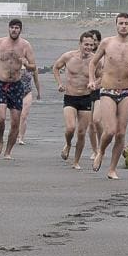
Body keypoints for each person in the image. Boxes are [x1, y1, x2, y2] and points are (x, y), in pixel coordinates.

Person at [88, 12, 128, 179]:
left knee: (121, 133)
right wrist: (92, 80)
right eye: (121, 23)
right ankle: (101, 151)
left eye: (126, 23)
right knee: (110, 130)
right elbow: (93, 62)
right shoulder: (107, 42)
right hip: (107, 90)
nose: (123, 26)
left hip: (126, 90)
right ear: (116, 25)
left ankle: (112, 169)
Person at [0, 18, 36, 160]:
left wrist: (26, 63)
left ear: (20, 30)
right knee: (0, 118)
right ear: (8, 28)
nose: (14, 30)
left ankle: (8, 151)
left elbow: (33, 66)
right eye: (12, 27)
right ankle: (0, 141)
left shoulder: (25, 45)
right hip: (0, 84)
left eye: (17, 28)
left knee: (15, 122)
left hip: (17, 86)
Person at [53, 32, 97, 169]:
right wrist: (59, 83)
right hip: (70, 97)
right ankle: (68, 143)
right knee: (70, 128)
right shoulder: (69, 56)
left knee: (82, 132)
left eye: (91, 45)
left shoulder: (96, 60)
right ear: (80, 44)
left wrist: (94, 83)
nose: (89, 47)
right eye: (86, 44)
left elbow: (103, 75)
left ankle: (76, 161)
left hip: (86, 97)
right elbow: (56, 67)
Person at [87, 29, 103, 159]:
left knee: (97, 120)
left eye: (95, 41)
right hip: (85, 92)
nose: (92, 44)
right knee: (90, 124)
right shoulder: (83, 55)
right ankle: (95, 150)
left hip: (99, 91)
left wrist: (94, 83)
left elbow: (105, 75)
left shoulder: (102, 56)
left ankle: (100, 147)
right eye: (90, 42)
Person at [17, 63, 41, 145]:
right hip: (15, 93)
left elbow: (36, 81)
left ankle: (21, 137)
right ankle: (15, 133)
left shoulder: (33, 67)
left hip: (27, 93)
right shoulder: (16, 65)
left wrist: (38, 93)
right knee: (16, 116)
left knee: (24, 115)